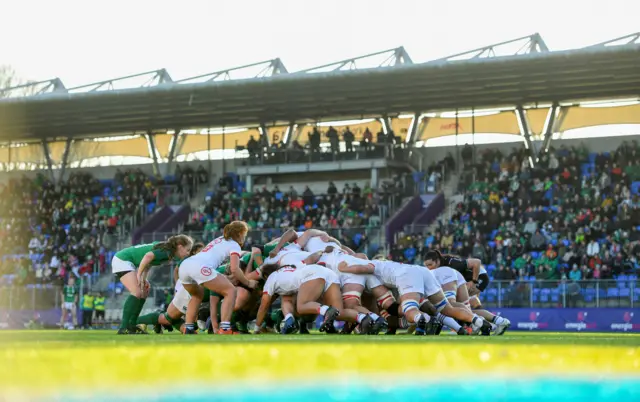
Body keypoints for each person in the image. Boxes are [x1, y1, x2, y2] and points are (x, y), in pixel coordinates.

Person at [178, 221, 255, 335]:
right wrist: (248, 283)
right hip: (200, 267)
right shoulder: (234, 245)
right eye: (244, 234)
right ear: (239, 233)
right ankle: (224, 328)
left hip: (185, 266)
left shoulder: (220, 239)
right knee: (230, 291)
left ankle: (188, 328)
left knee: (197, 295)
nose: (245, 237)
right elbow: (235, 268)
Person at [111, 235, 193, 335]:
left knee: (144, 292)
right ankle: (123, 328)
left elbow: (148, 263)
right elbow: (147, 257)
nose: (188, 253)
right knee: (136, 292)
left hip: (128, 261)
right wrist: (139, 275)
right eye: (187, 250)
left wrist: (144, 279)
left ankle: (132, 325)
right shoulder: (167, 252)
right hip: (122, 260)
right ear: (180, 247)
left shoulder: (167, 249)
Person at [137, 243, 205, 334]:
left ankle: (163, 322)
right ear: (194, 252)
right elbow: (177, 269)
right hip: (186, 291)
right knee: (168, 318)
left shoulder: (205, 261)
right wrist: (178, 285)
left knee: (177, 318)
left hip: (194, 292)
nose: (203, 253)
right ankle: (134, 321)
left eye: (203, 250)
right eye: (200, 251)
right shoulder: (189, 260)